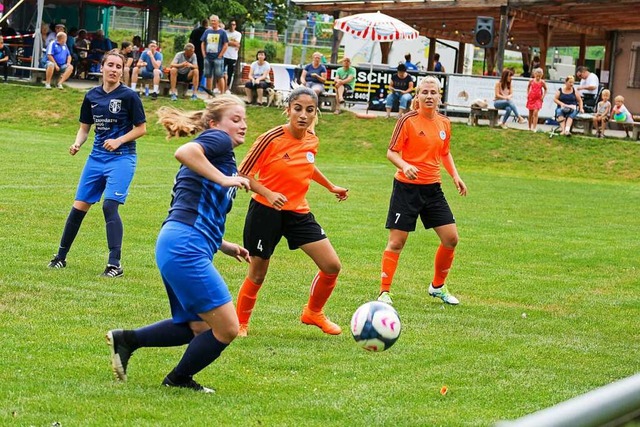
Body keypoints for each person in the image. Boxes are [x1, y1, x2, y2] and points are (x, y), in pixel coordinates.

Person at [107, 95, 251, 393]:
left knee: (197, 327)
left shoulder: (218, 155)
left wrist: (223, 244)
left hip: (178, 242)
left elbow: (191, 205)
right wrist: (225, 180)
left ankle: (128, 340)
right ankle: (178, 379)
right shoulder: (217, 142)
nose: (243, 125)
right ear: (213, 124)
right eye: (235, 119)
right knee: (227, 328)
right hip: (185, 247)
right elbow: (184, 151)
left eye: (244, 120)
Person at [235, 86, 349, 337]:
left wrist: (330, 186)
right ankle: (240, 323)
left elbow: (308, 164)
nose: (303, 115)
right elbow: (242, 175)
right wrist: (268, 193)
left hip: (298, 212)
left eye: (310, 110)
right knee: (258, 271)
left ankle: (313, 312)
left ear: (315, 113)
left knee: (331, 265)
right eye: (298, 109)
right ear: (287, 110)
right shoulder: (270, 138)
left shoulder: (312, 139)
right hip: (265, 212)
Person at [47, 49, 146, 277]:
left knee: (109, 206)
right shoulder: (91, 96)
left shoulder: (129, 96)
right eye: (110, 65)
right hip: (96, 158)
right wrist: (77, 144)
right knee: (78, 207)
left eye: (118, 67)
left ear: (122, 71)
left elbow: (141, 129)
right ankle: (60, 257)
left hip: (122, 158)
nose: (114, 70)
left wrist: (119, 140)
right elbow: (85, 128)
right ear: (101, 68)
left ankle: (114, 265)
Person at [378, 76, 467, 306]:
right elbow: (391, 152)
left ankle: (437, 286)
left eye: (433, 92)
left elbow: (445, 153)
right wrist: (405, 166)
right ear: (417, 96)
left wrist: (455, 176)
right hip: (406, 189)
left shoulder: (444, 123)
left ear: (439, 95)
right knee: (397, 242)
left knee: (451, 239)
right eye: (424, 92)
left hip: (432, 189)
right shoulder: (407, 120)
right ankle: (384, 292)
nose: (429, 96)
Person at [201, 14, 228, 96]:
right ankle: (209, 94)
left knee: (219, 75)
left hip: (218, 57)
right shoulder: (207, 31)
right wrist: (204, 54)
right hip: (208, 56)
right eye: (211, 21)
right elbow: (203, 43)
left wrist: (220, 55)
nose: (213, 22)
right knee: (208, 76)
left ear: (218, 21)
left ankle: (222, 94)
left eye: (214, 21)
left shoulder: (222, 32)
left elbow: (225, 44)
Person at [526, 67, 547, 132]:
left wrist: (543, 96)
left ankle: (534, 127)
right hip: (531, 98)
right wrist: (528, 94)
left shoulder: (542, 82)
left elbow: (545, 89)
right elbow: (528, 87)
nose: (538, 77)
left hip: (538, 99)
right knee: (530, 113)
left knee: (535, 112)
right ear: (534, 74)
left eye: (539, 76)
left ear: (541, 75)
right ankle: (529, 127)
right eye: (537, 76)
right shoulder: (531, 81)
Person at [223, 20, 241, 92]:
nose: (232, 26)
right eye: (231, 24)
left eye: (234, 24)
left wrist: (227, 42)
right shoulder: (225, 32)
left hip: (232, 56)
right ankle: (220, 87)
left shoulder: (238, 34)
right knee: (220, 72)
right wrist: (231, 43)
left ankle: (227, 88)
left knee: (230, 73)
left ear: (235, 26)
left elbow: (237, 44)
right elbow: (223, 42)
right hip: (224, 54)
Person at [189, 18, 209, 82]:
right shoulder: (207, 32)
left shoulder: (195, 31)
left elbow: (190, 41)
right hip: (203, 52)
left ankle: (190, 82)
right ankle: (198, 83)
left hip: (194, 51)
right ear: (207, 24)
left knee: (192, 67)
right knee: (200, 68)